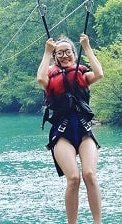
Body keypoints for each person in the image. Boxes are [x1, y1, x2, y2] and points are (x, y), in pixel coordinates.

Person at [37, 33, 104, 224]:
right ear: (55, 57)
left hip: (83, 129)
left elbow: (99, 74)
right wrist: (47, 53)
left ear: (75, 54)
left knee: (89, 174)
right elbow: (41, 80)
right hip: (62, 131)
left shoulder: (81, 73)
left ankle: (98, 222)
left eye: (68, 52)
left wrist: (87, 47)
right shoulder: (50, 73)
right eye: (60, 53)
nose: (65, 56)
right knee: (73, 179)